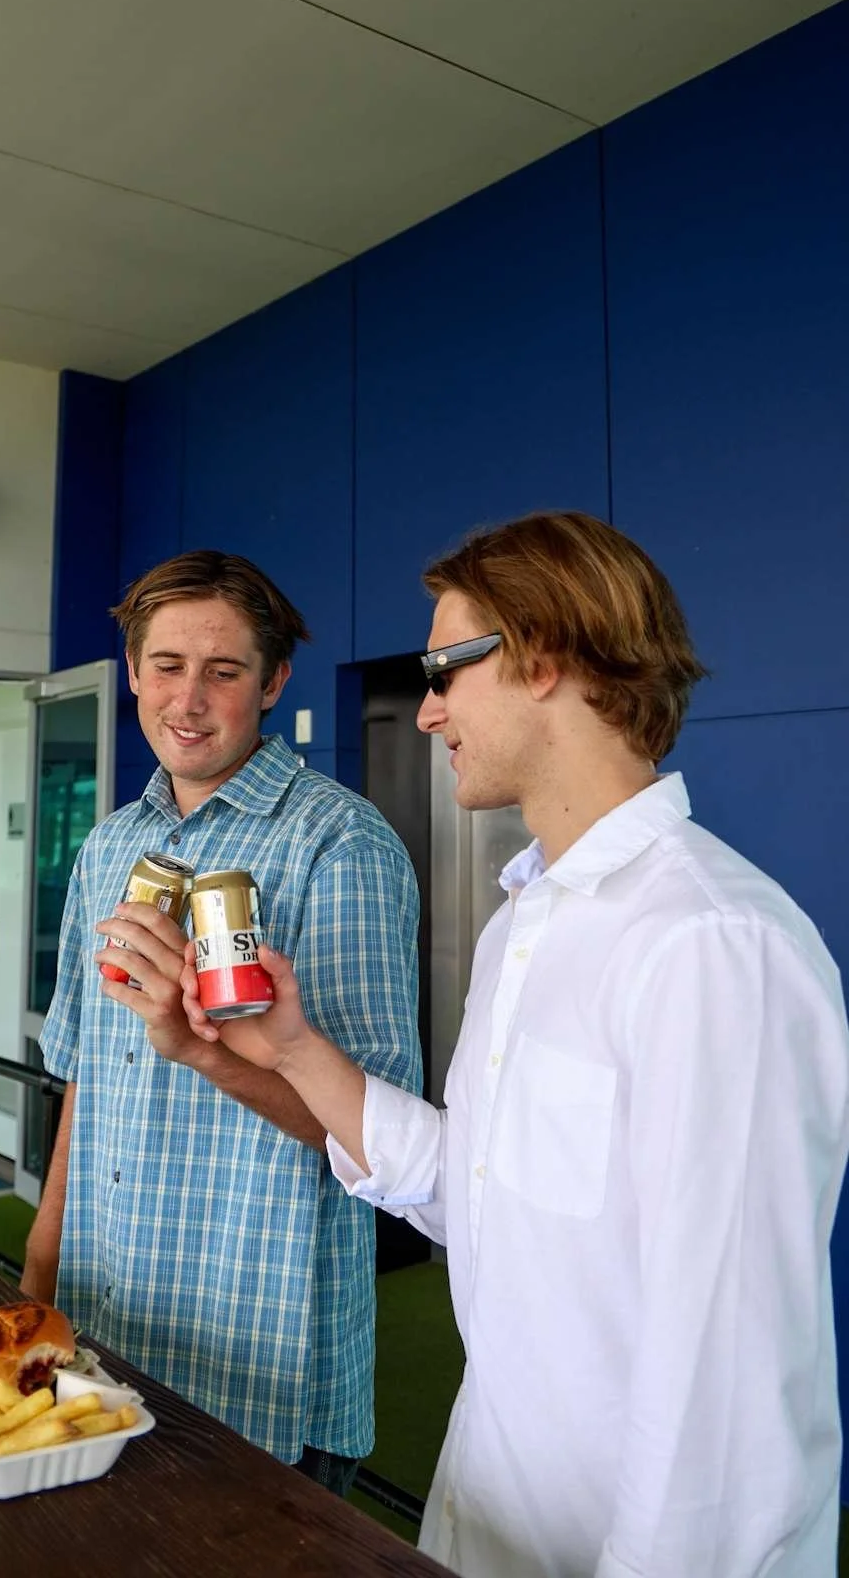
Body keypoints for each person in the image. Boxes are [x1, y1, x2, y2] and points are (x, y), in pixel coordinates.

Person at [182, 511, 849, 1577]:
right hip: (489, 1520)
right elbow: (476, 1190)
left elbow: (726, 1412)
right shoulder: (522, 924)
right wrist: (294, 1047)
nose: (429, 708)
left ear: (543, 655)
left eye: (447, 667)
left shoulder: (713, 947)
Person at [24, 550, 421, 1493]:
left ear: (275, 681)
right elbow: (89, 1073)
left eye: (224, 672)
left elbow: (378, 1135)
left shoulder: (340, 843)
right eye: (166, 666)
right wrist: (41, 1264)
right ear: (132, 672)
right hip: (102, 1320)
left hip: (258, 1364)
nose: (188, 701)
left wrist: (195, 1046)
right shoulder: (112, 842)